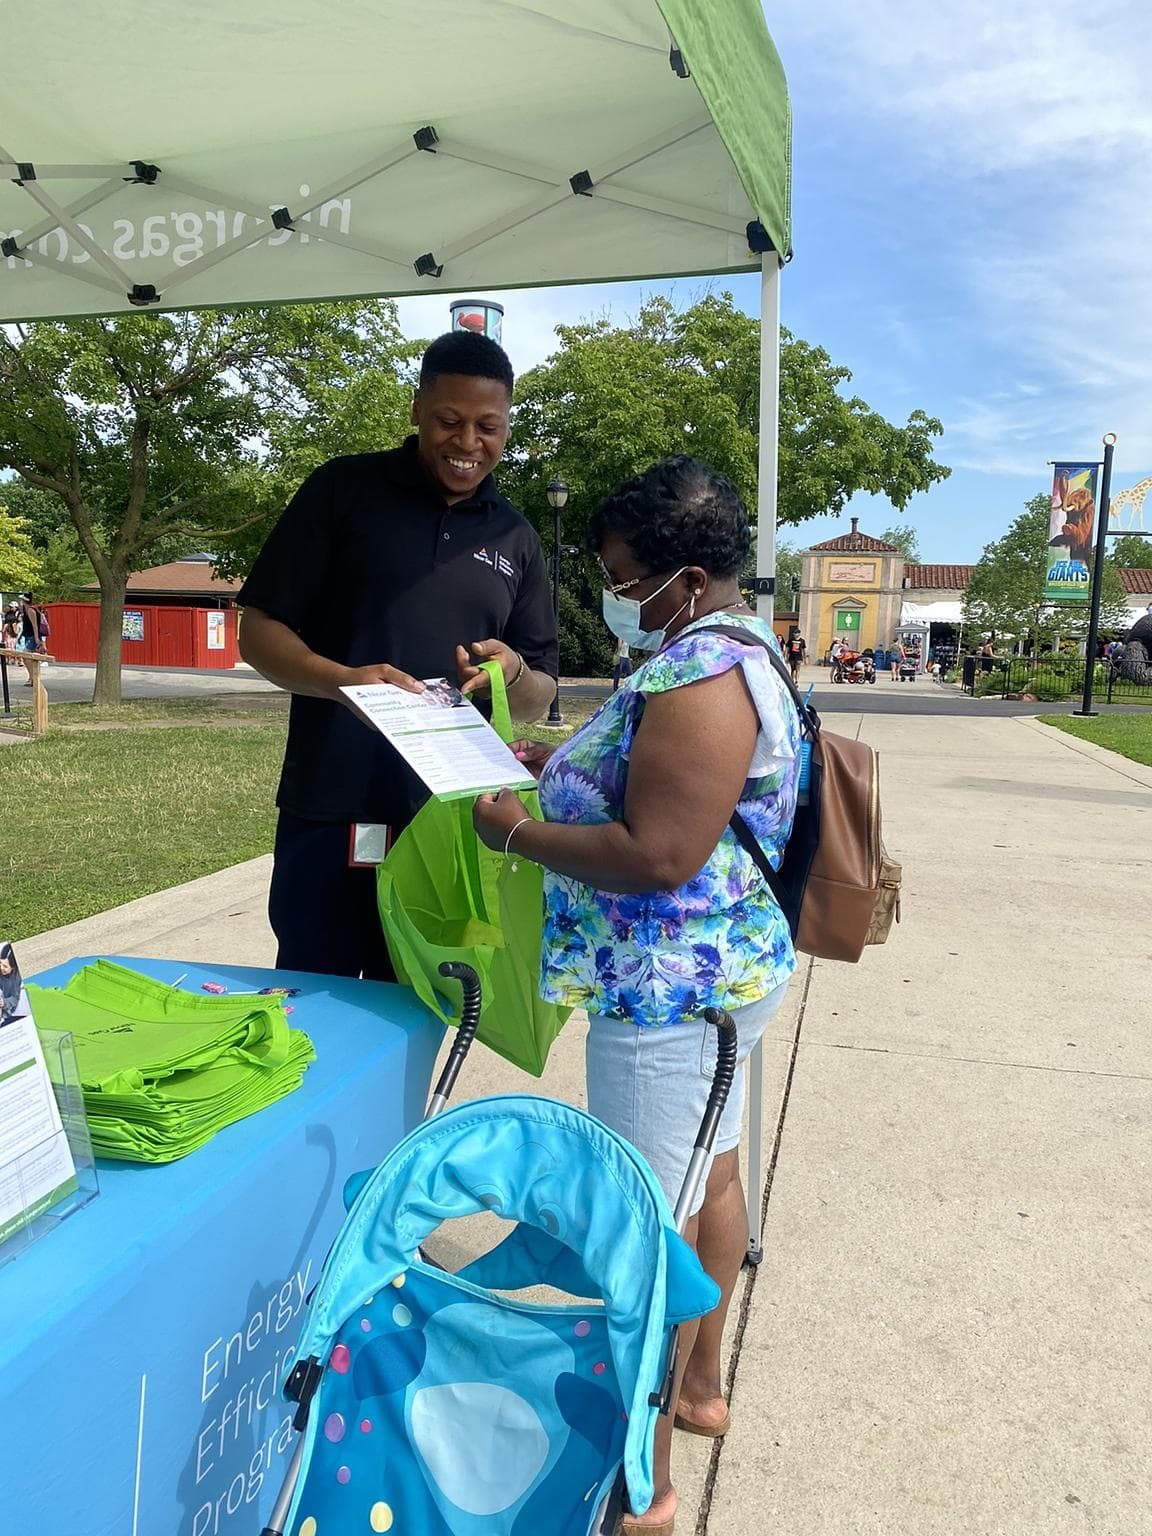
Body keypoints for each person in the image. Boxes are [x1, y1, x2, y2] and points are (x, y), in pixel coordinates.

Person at [473, 457, 800, 1536]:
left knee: (644, 1228)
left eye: (624, 578)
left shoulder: (701, 672)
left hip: (669, 1000)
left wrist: (519, 832)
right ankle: (699, 1388)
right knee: (711, 1182)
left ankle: (645, 1488)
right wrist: (558, 762)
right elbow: (652, 786)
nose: (615, 595)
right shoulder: (723, 649)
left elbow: (660, 852)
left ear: (688, 578)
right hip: (714, 986)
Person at [238, 331, 559, 979]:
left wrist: (513, 672)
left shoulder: (515, 536)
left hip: (446, 820)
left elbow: (540, 692)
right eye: (449, 421)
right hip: (331, 801)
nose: (468, 443)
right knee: (313, 994)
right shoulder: (343, 489)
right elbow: (258, 631)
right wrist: (342, 683)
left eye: (488, 427)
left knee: (423, 997)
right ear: (417, 410)